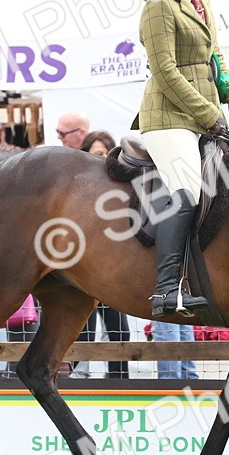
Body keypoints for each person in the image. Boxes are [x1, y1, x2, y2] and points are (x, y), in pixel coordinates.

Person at [136, 0, 229, 318]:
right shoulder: (157, 7)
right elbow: (165, 72)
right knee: (186, 192)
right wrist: (209, 115)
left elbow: (215, 57)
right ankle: (167, 289)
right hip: (168, 118)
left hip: (204, 114)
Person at [67, 129, 133, 378]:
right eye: (97, 154)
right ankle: (79, 378)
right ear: (85, 154)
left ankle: (119, 379)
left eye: (106, 154)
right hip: (83, 271)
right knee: (82, 330)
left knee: (120, 332)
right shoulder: (74, 190)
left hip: (112, 273)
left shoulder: (120, 190)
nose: (102, 159)